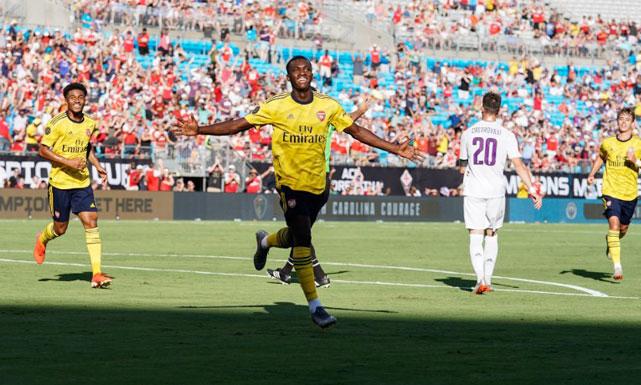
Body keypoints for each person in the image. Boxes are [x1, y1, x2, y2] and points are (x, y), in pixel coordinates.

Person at [173, 56, 423, 328]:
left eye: (306, 69)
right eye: (296, 70)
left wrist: (394, 148)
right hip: (289, 183)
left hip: (318, 185)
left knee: (296, 236)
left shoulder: (327, 105)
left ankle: (266, 242)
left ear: (312, 74)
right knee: (303, 237)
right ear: (288, 76)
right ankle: (316, 307)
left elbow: (356, 130)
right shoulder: (276, 106)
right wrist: (199, 130)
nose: (301, 73)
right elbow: (238, 125)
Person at [265, 93, 371, 287]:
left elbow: (348, 123)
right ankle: (289, 273)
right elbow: (347, 121)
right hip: (321, 179)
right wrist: (361, 111)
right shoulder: (326, 122)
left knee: (300, 231)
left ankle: (319, 276)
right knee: (301, 232)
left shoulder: (317, 122)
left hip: (310, 180)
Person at [459, 92, 542, 294]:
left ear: (481, 108)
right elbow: (519, 165)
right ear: (499, 110)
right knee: (492, 233)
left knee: (475, 234)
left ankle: (480, 279)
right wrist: (531, 188)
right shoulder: (506, 135)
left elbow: (462, 166)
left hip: (474, 189)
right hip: (496, 190)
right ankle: (488, 279)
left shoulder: (468, 133)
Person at [32, 82, 112, 288]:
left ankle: (96, 274)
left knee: (91, 221)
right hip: (59, 183)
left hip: (82, 182)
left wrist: (98, 166)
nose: (77, 100)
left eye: (80, 97)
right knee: (60, 229)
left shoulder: (90, 123)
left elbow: (87, 148)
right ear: (66, 100)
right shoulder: (56, 123)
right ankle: (42, 238)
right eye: (72, 97)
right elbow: (42, 150)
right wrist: (68, 162)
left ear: (85, 100)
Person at [587, 107, 641, 280]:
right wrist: (592, 173)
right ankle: (617, 267)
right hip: (610, 191)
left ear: (633, 123)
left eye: (627, 119)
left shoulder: (639, 144)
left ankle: (611, 242)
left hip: (630, 194)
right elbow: (601, 156)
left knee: (622, 229)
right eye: (620, 119)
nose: (623, 122)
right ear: (617, 122)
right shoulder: (608, 142)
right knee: (614, 225)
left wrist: (635, 161)